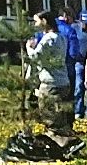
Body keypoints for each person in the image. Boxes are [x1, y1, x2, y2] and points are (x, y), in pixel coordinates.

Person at [25, 11, 74, 142]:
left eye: (37, 21)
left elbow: (36, 57)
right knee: (61, 116)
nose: (35, 24)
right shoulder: (62, 37)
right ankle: (68, 141)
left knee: (50, 116)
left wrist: (29, 48)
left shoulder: (48, 38)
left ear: (45, 21)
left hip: (51, 83)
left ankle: (59, 143)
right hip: (64, 81)